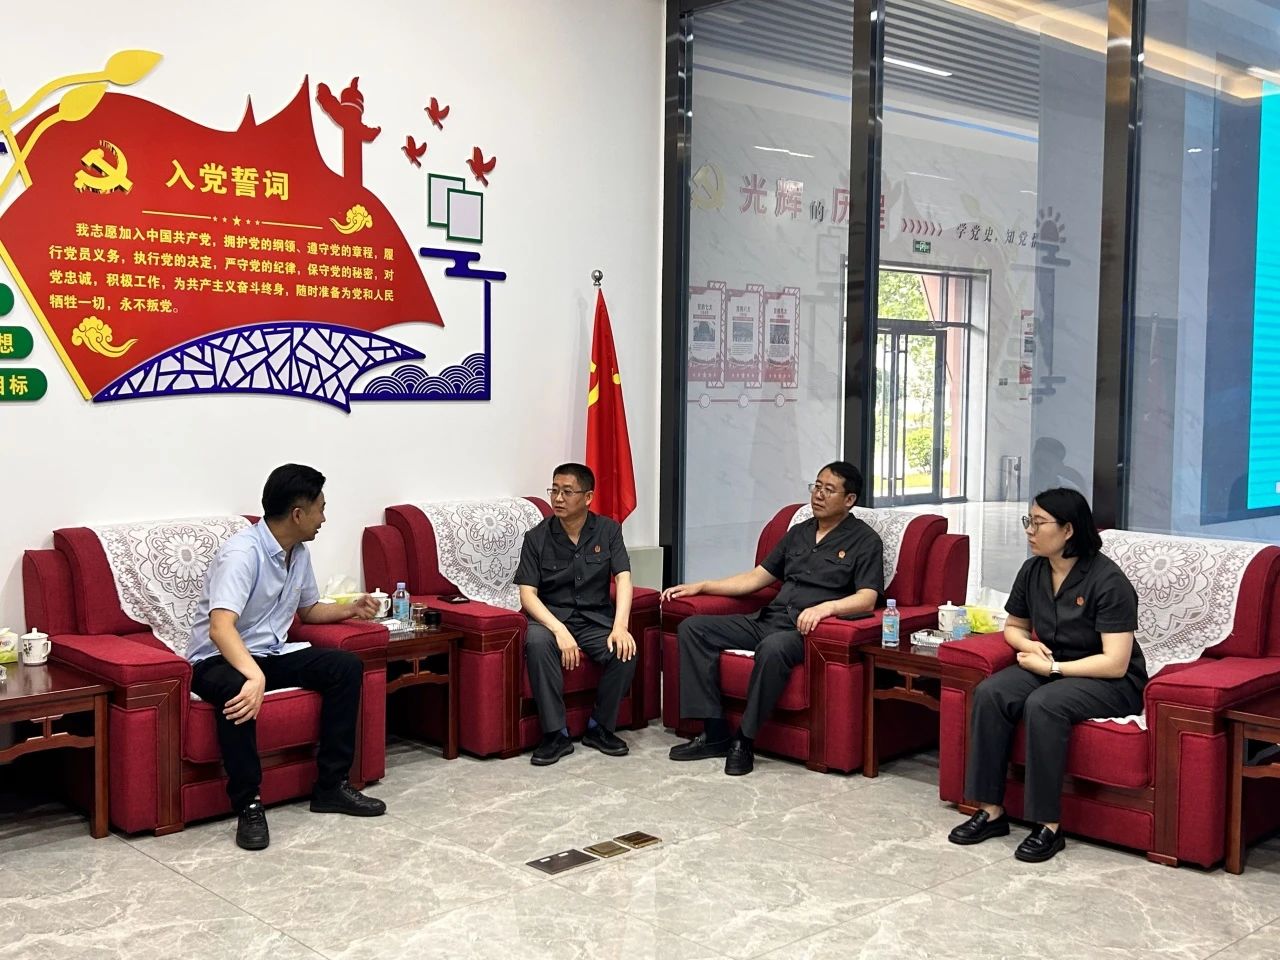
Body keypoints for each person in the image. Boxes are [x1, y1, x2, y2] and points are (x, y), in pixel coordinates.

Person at [186, 464, 386, 851]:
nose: (323, 518)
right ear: (298, 513)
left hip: (269, 654)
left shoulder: (299, 552)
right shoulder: (242, 554)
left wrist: (351, 608)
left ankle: (331, 786)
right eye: (320, 509)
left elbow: (307, 610)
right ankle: (248, 804)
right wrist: (254, 677)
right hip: (217, 660)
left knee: (345, 667)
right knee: (239, 687)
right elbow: (220, 629)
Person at [948, 487, 1146, 862]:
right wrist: (1028, 645)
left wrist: (1053, 668)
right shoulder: (1033, 570)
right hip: (1053, 664)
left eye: (1039, 523)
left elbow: (1116, 662)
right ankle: (991, 811)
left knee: (1044, 704)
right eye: (1029, 520)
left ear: (1068, 530)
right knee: (991, 693)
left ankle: (1048, 826)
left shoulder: (1108, 581)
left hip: (1109, 681)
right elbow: (1014, 626)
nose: (1029, 530)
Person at [663, 461, 882, 776]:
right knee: (694, 628)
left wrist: (825, 609)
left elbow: (867, 597)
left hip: (807, 633)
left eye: (829, 490)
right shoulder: (798, 532)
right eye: (817, 486)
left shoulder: (865, 541)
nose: (818, 495)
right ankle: (714, 732)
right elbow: (756, 579)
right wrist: (703, 585)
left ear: (849, 499)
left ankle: (744, 740)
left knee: (773, 647)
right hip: (769, 619)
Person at [515, 462, 637, 766]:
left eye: (567, 492)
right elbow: (527, 595)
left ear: (588, 497)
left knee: (625, 650)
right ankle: (555, 734)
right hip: (550, 619)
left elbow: (623, 578)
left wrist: (620, 626)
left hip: (594, 619)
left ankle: (600, 728)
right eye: (554, 490)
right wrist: (559, 629)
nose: (558, 498)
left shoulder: (608, 531)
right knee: (537, 642)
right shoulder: (536, 538)